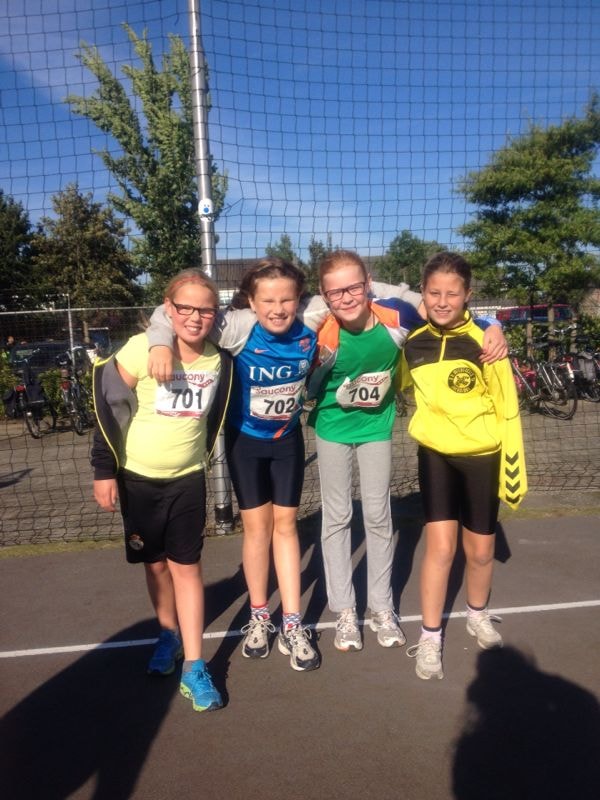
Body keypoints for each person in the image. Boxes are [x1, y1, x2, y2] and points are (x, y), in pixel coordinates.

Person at [305, 250, 508, 654]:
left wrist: (495, 324)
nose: (346, 298)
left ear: (368, 284)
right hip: (331, 428)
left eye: (354, 287)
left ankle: (381, 608)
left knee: (379, 516)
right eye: (335, 292)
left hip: (376, 428)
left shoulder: (396, 316)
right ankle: (345, 610)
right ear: (324, 296)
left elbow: (448, 312)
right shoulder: (318, 330)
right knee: (337, 517)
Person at [147, 258, 322, 671]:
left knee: (286, 527)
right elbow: (169, 311)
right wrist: (159, 343)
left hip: (287, 441)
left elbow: (364, 291)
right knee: (257, 530)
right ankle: (260, 616)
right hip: (246, 442)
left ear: (300, 299)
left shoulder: (314, 317)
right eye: (268, 301)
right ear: (251, 302)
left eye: (286, 300)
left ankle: (292, 622)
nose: (278, 309)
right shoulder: (238, 327)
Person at [91, 268, 233, 712]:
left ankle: (194, 665)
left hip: (187, 480)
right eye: (185, 307)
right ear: (168, 309)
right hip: (137, 480)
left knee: (187, 568)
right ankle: (168, 635)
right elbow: (109, 408)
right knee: (155, 567)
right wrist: (103, 469)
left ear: (215, 314)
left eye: (205, 310)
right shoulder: (142, 348)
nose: (195, 317)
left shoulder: (220, 359)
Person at [402, 252, 527, 680]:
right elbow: (396, 381)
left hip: (482, 458)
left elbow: (508, 409)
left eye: (452, 293)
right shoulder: (413, 343)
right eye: (434, 292)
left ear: (468, 295)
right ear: (423, 293)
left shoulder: (487, 343)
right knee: (440, 549)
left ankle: (477, 613)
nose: (442, 301)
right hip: (435, 455)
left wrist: (514, 471)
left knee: (481, 550)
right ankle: (430, 637)